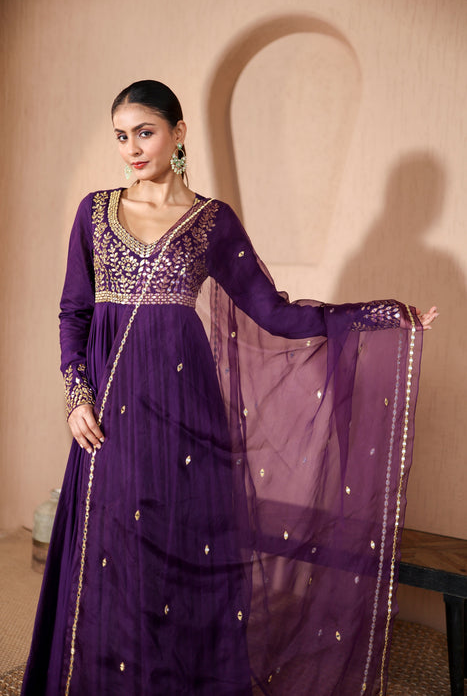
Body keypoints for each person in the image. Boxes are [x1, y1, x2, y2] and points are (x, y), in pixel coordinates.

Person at [21, 80, 438, 696]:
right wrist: (76, 392)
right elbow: (73, 311)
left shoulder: (211, 221)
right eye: (121, 136)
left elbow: (276, 312)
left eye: (144, 132)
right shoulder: (94, 211)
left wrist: (379, 317)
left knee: (182, 554)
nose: (131, 148)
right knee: (112, 550)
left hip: (186, 409)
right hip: (110, 409)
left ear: (178, 133)